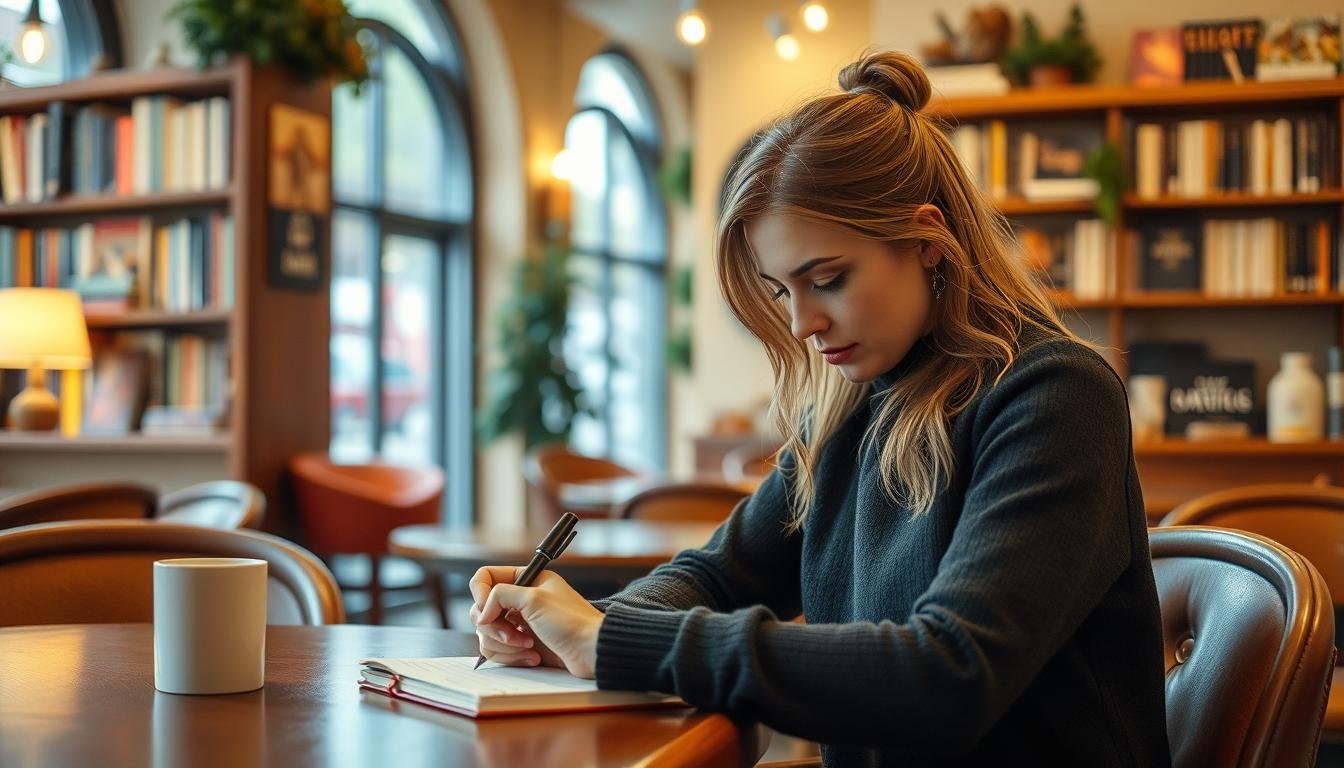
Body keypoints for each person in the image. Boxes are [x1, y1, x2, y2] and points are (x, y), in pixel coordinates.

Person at [470, 50, 1171, 766]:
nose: (802, 323)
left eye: (827, 280)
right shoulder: (847, 412)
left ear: (928, 242)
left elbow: (952, 673)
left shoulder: (1056, 395)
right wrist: (576, 622)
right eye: (780, 291)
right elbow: (717, 576)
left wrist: (610, 642)